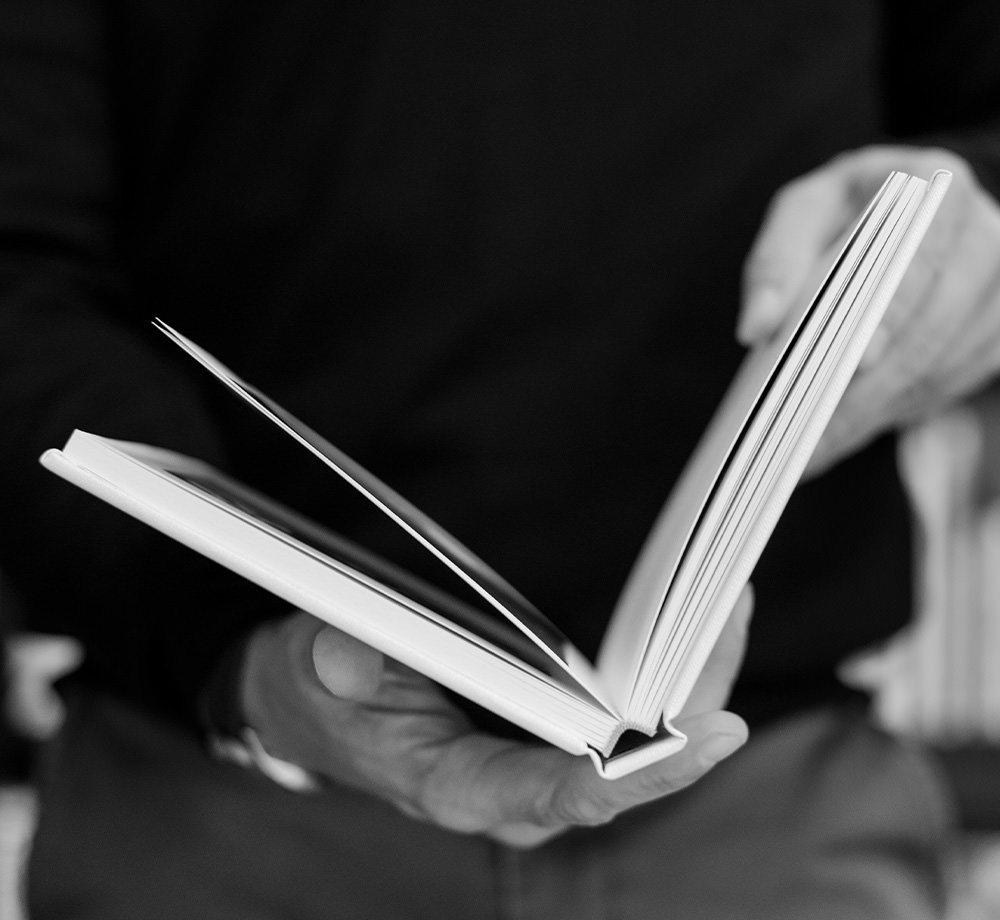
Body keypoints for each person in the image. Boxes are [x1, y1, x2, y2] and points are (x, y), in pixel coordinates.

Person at [0, 1, 998, 916]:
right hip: (220, 796)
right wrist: (228, 651)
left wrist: (969, 218)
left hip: (765, 806)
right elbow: (21, 262)